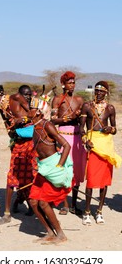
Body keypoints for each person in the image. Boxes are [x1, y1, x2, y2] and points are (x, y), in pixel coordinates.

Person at [0, 84, 37, 225]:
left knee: (29, 175)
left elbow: (34, 114)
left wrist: (24, 120)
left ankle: (29, 207)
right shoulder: (2, 108)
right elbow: (9, 127)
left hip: (30, 142)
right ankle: (8, 213)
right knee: (13, 176)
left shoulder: (14, 98)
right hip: (18, 142)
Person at [28, 106, 73, 245]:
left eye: (30, 108)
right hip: (43, 168)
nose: (27, 110)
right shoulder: (34, 127)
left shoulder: (47, 125)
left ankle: (60, 234)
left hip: (53, 166)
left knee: (43, 202)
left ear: (37, 112)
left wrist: (59, 165)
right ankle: (49, 232)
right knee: (33, 202)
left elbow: (66, 145)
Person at [80, 81, 122, 225]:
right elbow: (81, 129)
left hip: (106, 146)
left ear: (106, 93)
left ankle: (99, 211)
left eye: (101, 91)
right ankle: (86, 212)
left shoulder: (110, 108)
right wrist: (86, 140)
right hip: (93, 144)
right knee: (91, 179)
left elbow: (115, 129)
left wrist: (109, 129)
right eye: (96, 91)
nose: (98, 93)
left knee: (104, 181)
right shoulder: (87, 106)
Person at [51, 71, 86, 215]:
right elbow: (53, 120)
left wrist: (79, 117)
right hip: (63, 137)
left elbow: (84, 120)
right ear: (63, 84)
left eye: (73, 82)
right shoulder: (57, 99)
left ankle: (74, 204)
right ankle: (64, 204)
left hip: (77, 137)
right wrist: (67, 118)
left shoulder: (79, 99)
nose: (72, 85)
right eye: (69, 83)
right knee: (65, 170)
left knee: (77, 171)